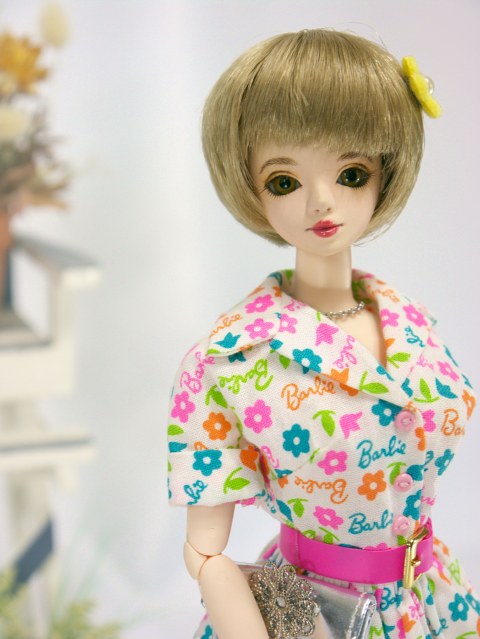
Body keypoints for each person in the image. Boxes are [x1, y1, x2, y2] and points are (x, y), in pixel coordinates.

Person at [166, 28, 479, 639]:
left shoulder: (411, 321)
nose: (321, 202)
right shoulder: (229, 360)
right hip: (315, 617)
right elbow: (204, 550)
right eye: (284, 181)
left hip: (432, 603)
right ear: (251, 188)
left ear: (384, 173)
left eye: (351, 173)